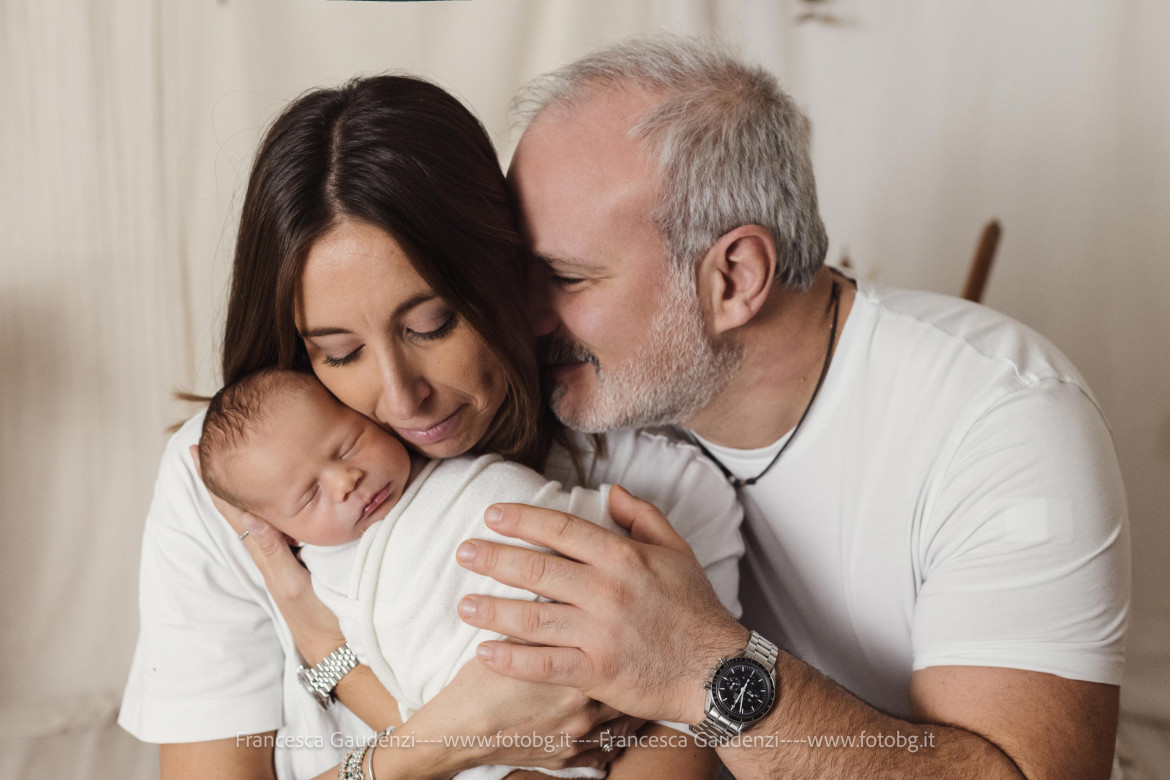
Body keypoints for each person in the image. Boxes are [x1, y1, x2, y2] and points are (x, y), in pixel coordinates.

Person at [453, 36, 1130, 779]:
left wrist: (703, 667)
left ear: (736, 277)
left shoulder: (1002, 420)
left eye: (564, 277)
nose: (524, 315)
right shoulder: (588, 402)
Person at [118, 74, 743, 779]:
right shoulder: (237, 484)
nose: (401, 396)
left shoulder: (656, 488)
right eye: (341, 352)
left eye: (431, 325)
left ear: (505, 272)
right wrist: (452, 737)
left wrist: (327, 650)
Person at [195, 367, 731, 779]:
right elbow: (419, 708)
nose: (346, 479)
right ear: (284, 533)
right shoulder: (326, 575)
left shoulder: (446, 464)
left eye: (348, 445)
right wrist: (320, 638)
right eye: (310, 494)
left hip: (617, 655)